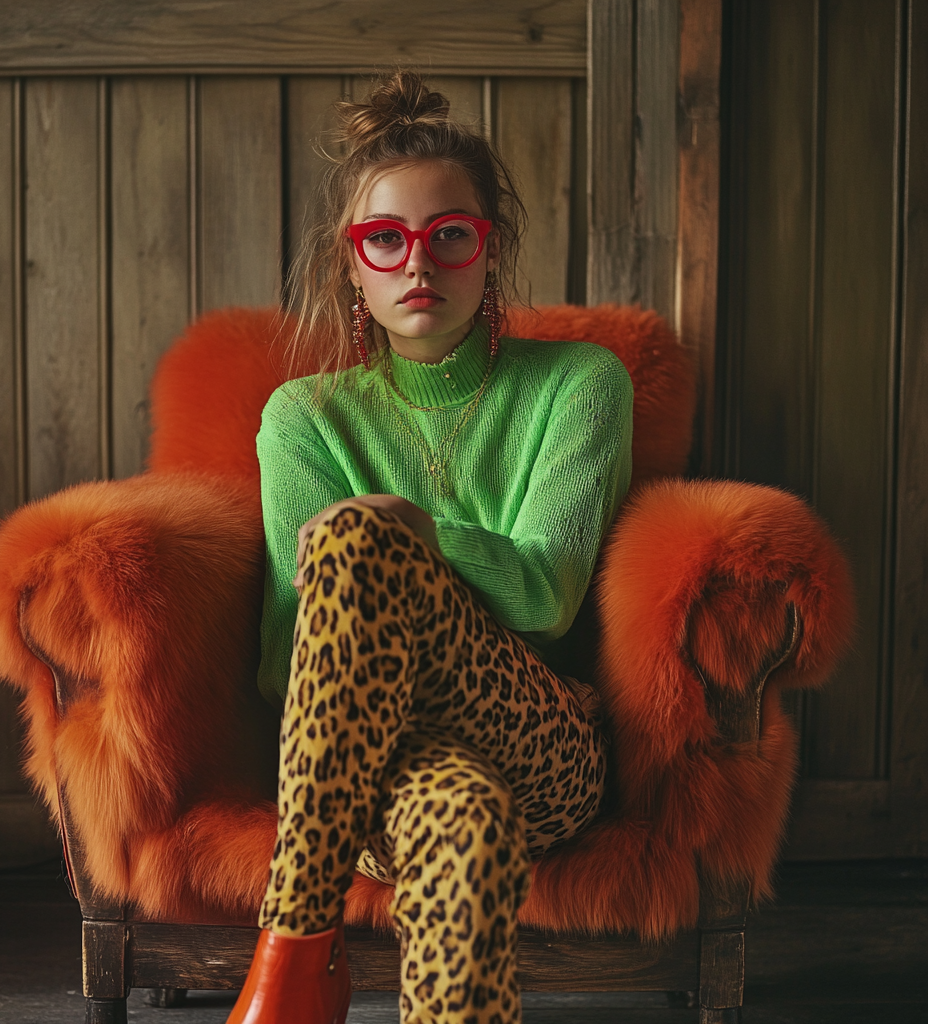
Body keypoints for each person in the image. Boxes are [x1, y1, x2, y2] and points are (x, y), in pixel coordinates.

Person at [228, 70, 633, 1024]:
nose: (421, 264)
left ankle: (293, 949)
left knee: (364, 533)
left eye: (451, 234)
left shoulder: (582, 384)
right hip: (370, 785)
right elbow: (294, 663)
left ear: (488, 251)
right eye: (388, 240)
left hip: (544, 746)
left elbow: (547, 598)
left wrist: (418, 532)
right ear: (354, 263)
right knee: (467, 824)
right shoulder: (305, 419)